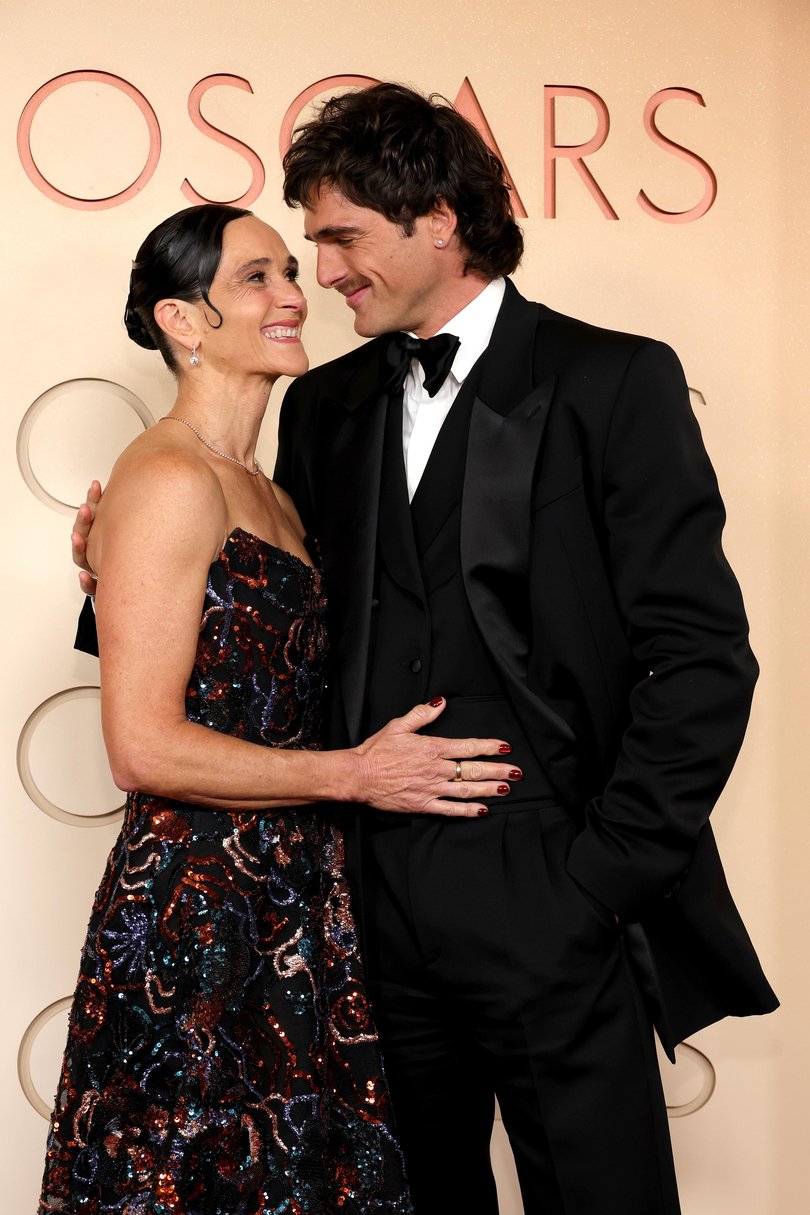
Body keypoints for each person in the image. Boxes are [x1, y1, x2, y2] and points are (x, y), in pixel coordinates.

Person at [72, 86, 779, 1214]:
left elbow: (701, 661)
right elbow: (265, 613)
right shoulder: (328, 405)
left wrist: (597, 879)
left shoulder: (611, 381)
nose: (322, 275)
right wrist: (108, 564)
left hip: (550, 891)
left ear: (438, 218)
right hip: (362, 907)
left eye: (341, 238)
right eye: (302, 252)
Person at [41, 202, 519, 1215]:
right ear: (184, 319)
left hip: (293, 896)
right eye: (255, 278)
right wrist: (352, 774)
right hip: (195, 908)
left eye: (289, 271)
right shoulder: (168, 473)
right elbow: (140, 744)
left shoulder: (270, 489)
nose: (296, 294)